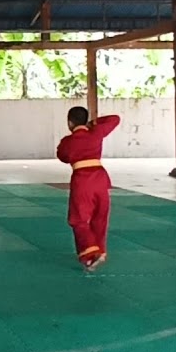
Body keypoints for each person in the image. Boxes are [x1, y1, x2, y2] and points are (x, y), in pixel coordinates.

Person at [55, 107, 120, 273]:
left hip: (82, 181)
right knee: (100, 217)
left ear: (70, 122)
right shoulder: (96, 133)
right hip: (100, 179)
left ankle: (91, 252)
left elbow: (62, 156)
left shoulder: (68, 141)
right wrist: (93, 124)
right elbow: (115, 119)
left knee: (79, 219)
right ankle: (101, 250)